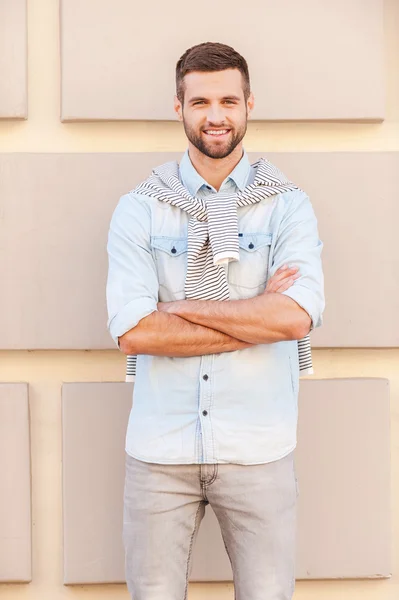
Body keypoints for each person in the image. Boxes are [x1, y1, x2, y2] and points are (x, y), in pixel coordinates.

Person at [106, 41, 325, 600]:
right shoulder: (140, 207)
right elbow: (135, 331)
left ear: (250, 104)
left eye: (229, 99)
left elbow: (296, 318)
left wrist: (178, 308)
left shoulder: (287, 206)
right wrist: (254, 314)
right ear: (178, 107)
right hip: (160, 452)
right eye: (200, 100)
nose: (216, 115)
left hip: (259, 447)